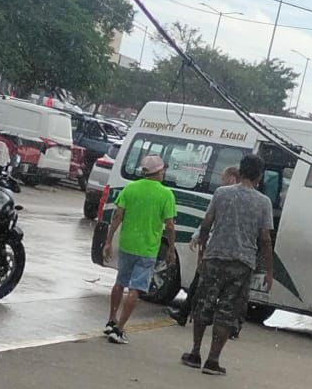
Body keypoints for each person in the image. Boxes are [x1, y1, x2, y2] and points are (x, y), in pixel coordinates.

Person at [183, 153, 273, 376]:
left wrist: (203, 251)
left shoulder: (221, 193)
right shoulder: (263, 202)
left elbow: (206, 224)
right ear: (260, 176)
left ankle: (195, 353)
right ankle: (213, 361)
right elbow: (265, 240)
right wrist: (269, 270)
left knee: (203, 304)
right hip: (242, 263)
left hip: (215, 257)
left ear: (241, 171)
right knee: (227, 311)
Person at [103, 153, 176, 345]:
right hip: (148, 249)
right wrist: (171, 248)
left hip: (127, 244)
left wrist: (109, 241)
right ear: (159, 172)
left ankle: (111, 319)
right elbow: (169, 225)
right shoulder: (166, 194)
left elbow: (117, 215)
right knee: (135, 289)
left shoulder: (130, 188)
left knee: (120, 282)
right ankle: (119, 329)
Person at [168, 164, 240, 328]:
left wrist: (199, 238)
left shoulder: (223, 195)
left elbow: (210, 219)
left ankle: (190, 314)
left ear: (232, 178)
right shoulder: (245, 197)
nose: (221, 182)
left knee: (201, 283)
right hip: (233, 252)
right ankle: (230, 324)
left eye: (223, 179)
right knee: (228, 289)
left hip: (216, 250)